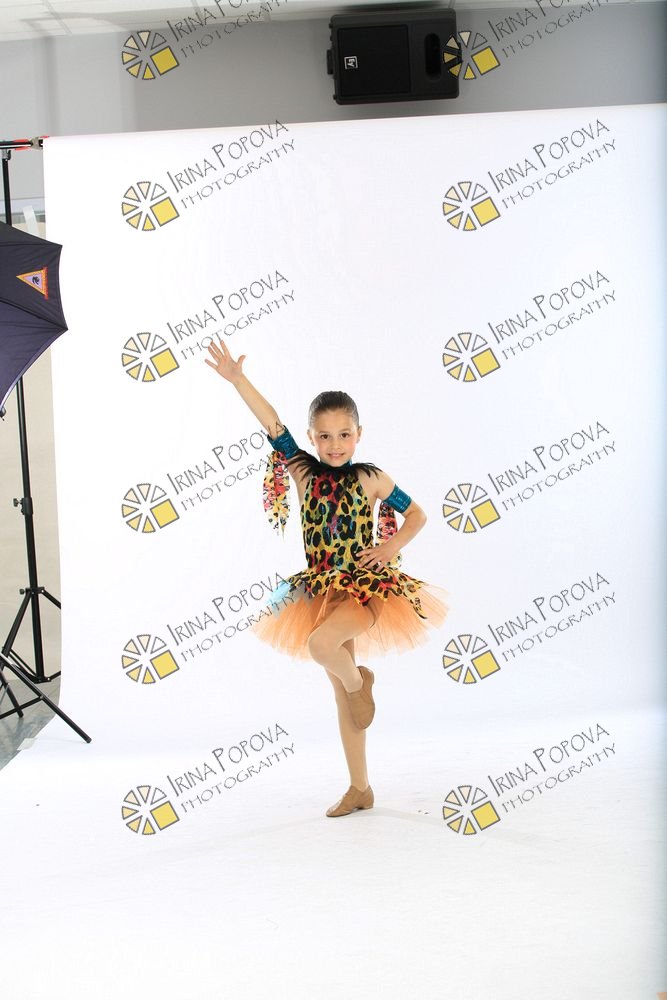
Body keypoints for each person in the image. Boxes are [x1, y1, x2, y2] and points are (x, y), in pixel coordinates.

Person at [205, 341, 448, 818]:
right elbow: (272, 423)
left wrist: (389, 548)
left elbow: (418, 515)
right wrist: (238, 380)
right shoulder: (302, 471)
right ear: (312, 438)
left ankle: (361, 682)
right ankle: (360, 787)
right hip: (320, 589)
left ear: (359, 434)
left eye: (344, 435)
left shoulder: (372, 478)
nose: (335, 445)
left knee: (322, 648)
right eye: (325, 436)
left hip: (366, 587)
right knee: (340, 692)